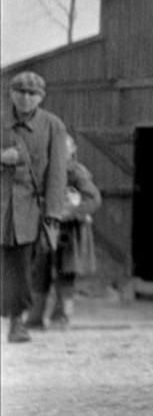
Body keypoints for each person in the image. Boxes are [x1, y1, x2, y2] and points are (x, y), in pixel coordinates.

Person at [1, 71, 69, 344]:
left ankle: (17, 322)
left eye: (32, 94)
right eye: (20, 92)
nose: (26, 98)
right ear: (10, 94)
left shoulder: (53, 126)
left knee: (21, 268)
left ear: (41, 97)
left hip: (29, 210)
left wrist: (52, 214)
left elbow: (57, 174)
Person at [27, 134, 101, 329]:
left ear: (72, 151)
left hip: (70, 233)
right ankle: (35, 317)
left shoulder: (77, 173)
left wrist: (70, 212)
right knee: (39, 271)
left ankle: (61, 317)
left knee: (65, 273)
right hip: (46, 230)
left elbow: (93, 199)